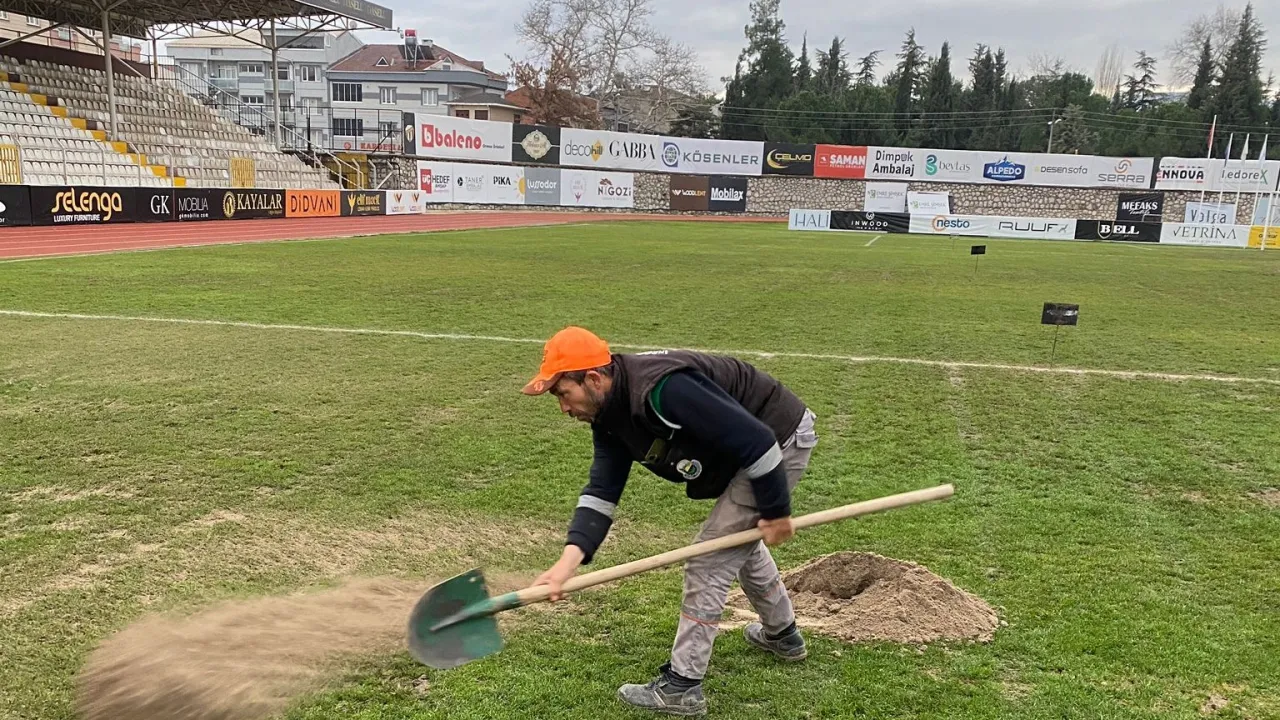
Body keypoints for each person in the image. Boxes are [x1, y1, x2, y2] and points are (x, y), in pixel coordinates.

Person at [523, 326, 819, 716]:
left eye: (563, 393)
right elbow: (602, 490)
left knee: (709, 559)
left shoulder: (663, 390)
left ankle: (682, 687)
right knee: (732, 542)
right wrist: (565, 565)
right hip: (743, 450)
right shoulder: (608, 414)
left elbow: (758, 441)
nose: (563, 408)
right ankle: (783, 636)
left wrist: (776, 509)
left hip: (776, 442)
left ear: (593, 379)